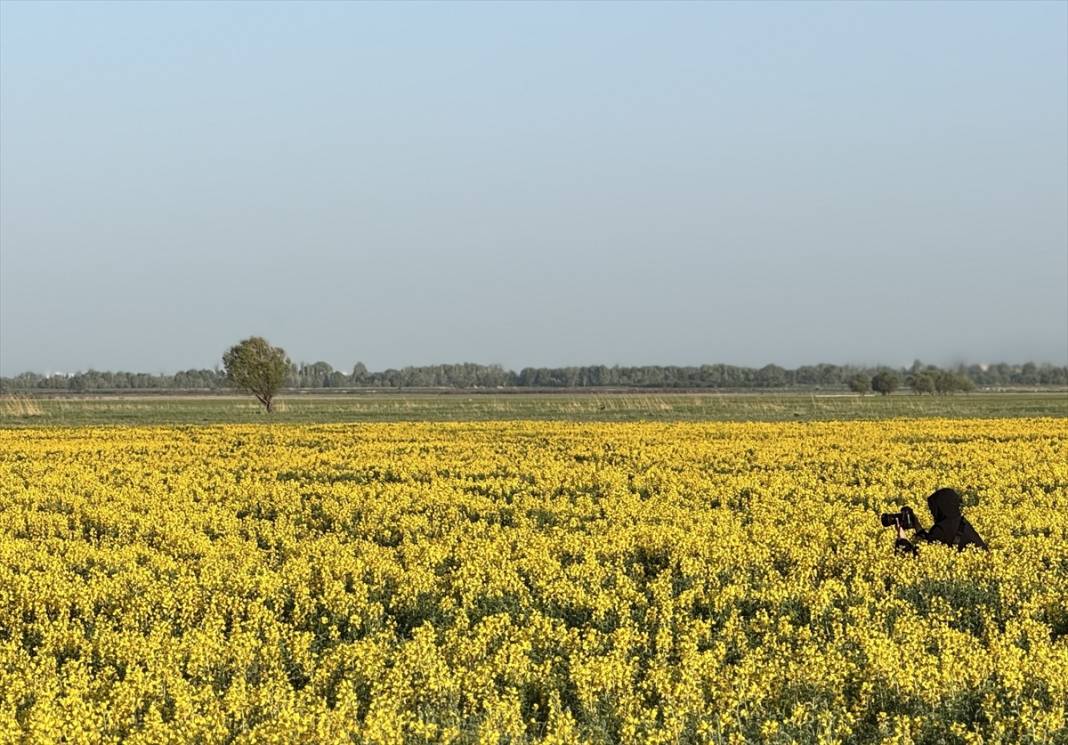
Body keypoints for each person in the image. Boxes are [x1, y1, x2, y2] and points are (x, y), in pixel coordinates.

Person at [895, 488, 987, 555]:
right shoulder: (962, 523)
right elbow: (930, 542)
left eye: (934, 510)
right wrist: (917, 525)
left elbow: (918, 556)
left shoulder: (942, 529)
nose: (932, 513)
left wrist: (902, 539)